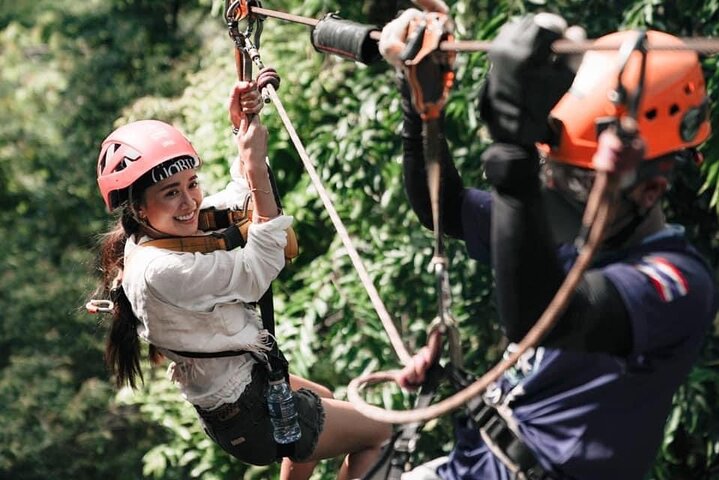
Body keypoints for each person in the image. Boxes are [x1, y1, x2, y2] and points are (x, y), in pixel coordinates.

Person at [379, 9, 717, 480]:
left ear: (649, 191)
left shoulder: (677, 281)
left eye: (574, 181)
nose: (552, 191)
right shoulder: (567, 233)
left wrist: (512, 155)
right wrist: (419, 105)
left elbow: (538, 317)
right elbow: (444, 207)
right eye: (548, 171)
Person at [91, 81, 391, 480]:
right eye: (170, 194)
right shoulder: (159, 269)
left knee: (325, 399)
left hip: (244, 395)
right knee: (385, 434)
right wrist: (253, 166)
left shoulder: (156, 237)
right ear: (139, 208)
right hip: (248, 409)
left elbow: (239, 200)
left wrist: (241, 130)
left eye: (192, 184)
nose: (190, 202)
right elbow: (259, 266)